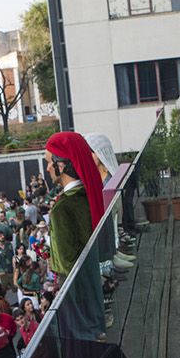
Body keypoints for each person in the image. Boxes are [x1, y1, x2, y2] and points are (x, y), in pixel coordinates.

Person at [42, 132, 107, 340]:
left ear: (61, 166)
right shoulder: (86, 196)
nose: (47, 168)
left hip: (76, 302)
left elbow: (67, 265)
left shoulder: (63, 208)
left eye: (49, 162)